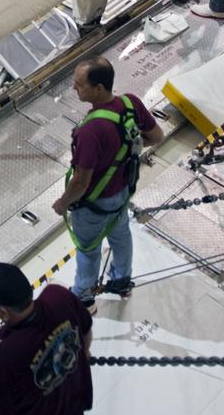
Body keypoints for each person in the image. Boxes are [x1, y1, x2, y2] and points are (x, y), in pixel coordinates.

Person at [52, 56, 163, 307]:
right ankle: (121, 279)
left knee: (88, 249)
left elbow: (81, 182)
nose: (74, 88)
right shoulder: (130, 103)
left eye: (79, 85)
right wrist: (124, 150)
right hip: (123, 191)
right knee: (121, 234)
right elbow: (156, 136)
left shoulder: (90, 131)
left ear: (98, 88)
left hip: (94, 203)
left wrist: (63, 202)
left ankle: (83, 294)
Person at [0, 262, 93, 415]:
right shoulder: (58, 296)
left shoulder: (6, 357)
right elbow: (86, 332)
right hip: (72, 411)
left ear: (2, 312)